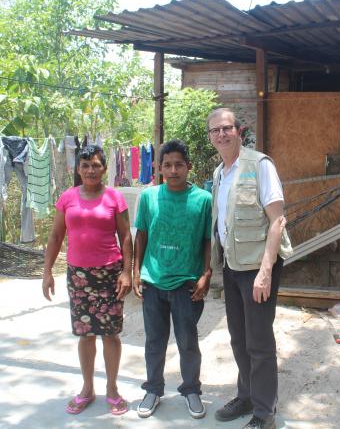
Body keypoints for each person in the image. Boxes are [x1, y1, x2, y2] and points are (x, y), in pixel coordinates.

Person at [208, 108, 292, 429]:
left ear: (238, 131)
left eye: (227, 128)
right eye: (215, 130)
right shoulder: (220, 173)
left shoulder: (260, 165)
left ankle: (264, 412)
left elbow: (277, 221)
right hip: (233, 267)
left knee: (258, 341)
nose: (221, 135)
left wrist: (266, 271)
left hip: (258, 267)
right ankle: (246, 395)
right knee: (238, 339)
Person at [42, 144, 132, 416]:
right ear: (77, 169)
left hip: (109, 274)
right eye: (85, 165)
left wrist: (128, 272)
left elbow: (125, 237)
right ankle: (87, 388)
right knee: (85, 334)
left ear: (104, 168)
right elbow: (56, 237)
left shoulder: (115, 198)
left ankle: (113, 388)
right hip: (79, 276)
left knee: (110, 334)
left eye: (95, 165)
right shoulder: (67, 198)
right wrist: (47, 272)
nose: (90, 170)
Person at [133, 139, 212, 420]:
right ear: (159, 168)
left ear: (188, 167)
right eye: (167, 165)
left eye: (179, 164)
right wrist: (135, 271)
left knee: (187, 341)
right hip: (153, 281)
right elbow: (141, 235)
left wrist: (206, 274)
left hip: (186, 285)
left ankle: (191, 389)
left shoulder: (203, 199)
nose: (173, 170)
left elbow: (207, 239)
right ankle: (153, 388)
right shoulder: (149, 197)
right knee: (155, 340)